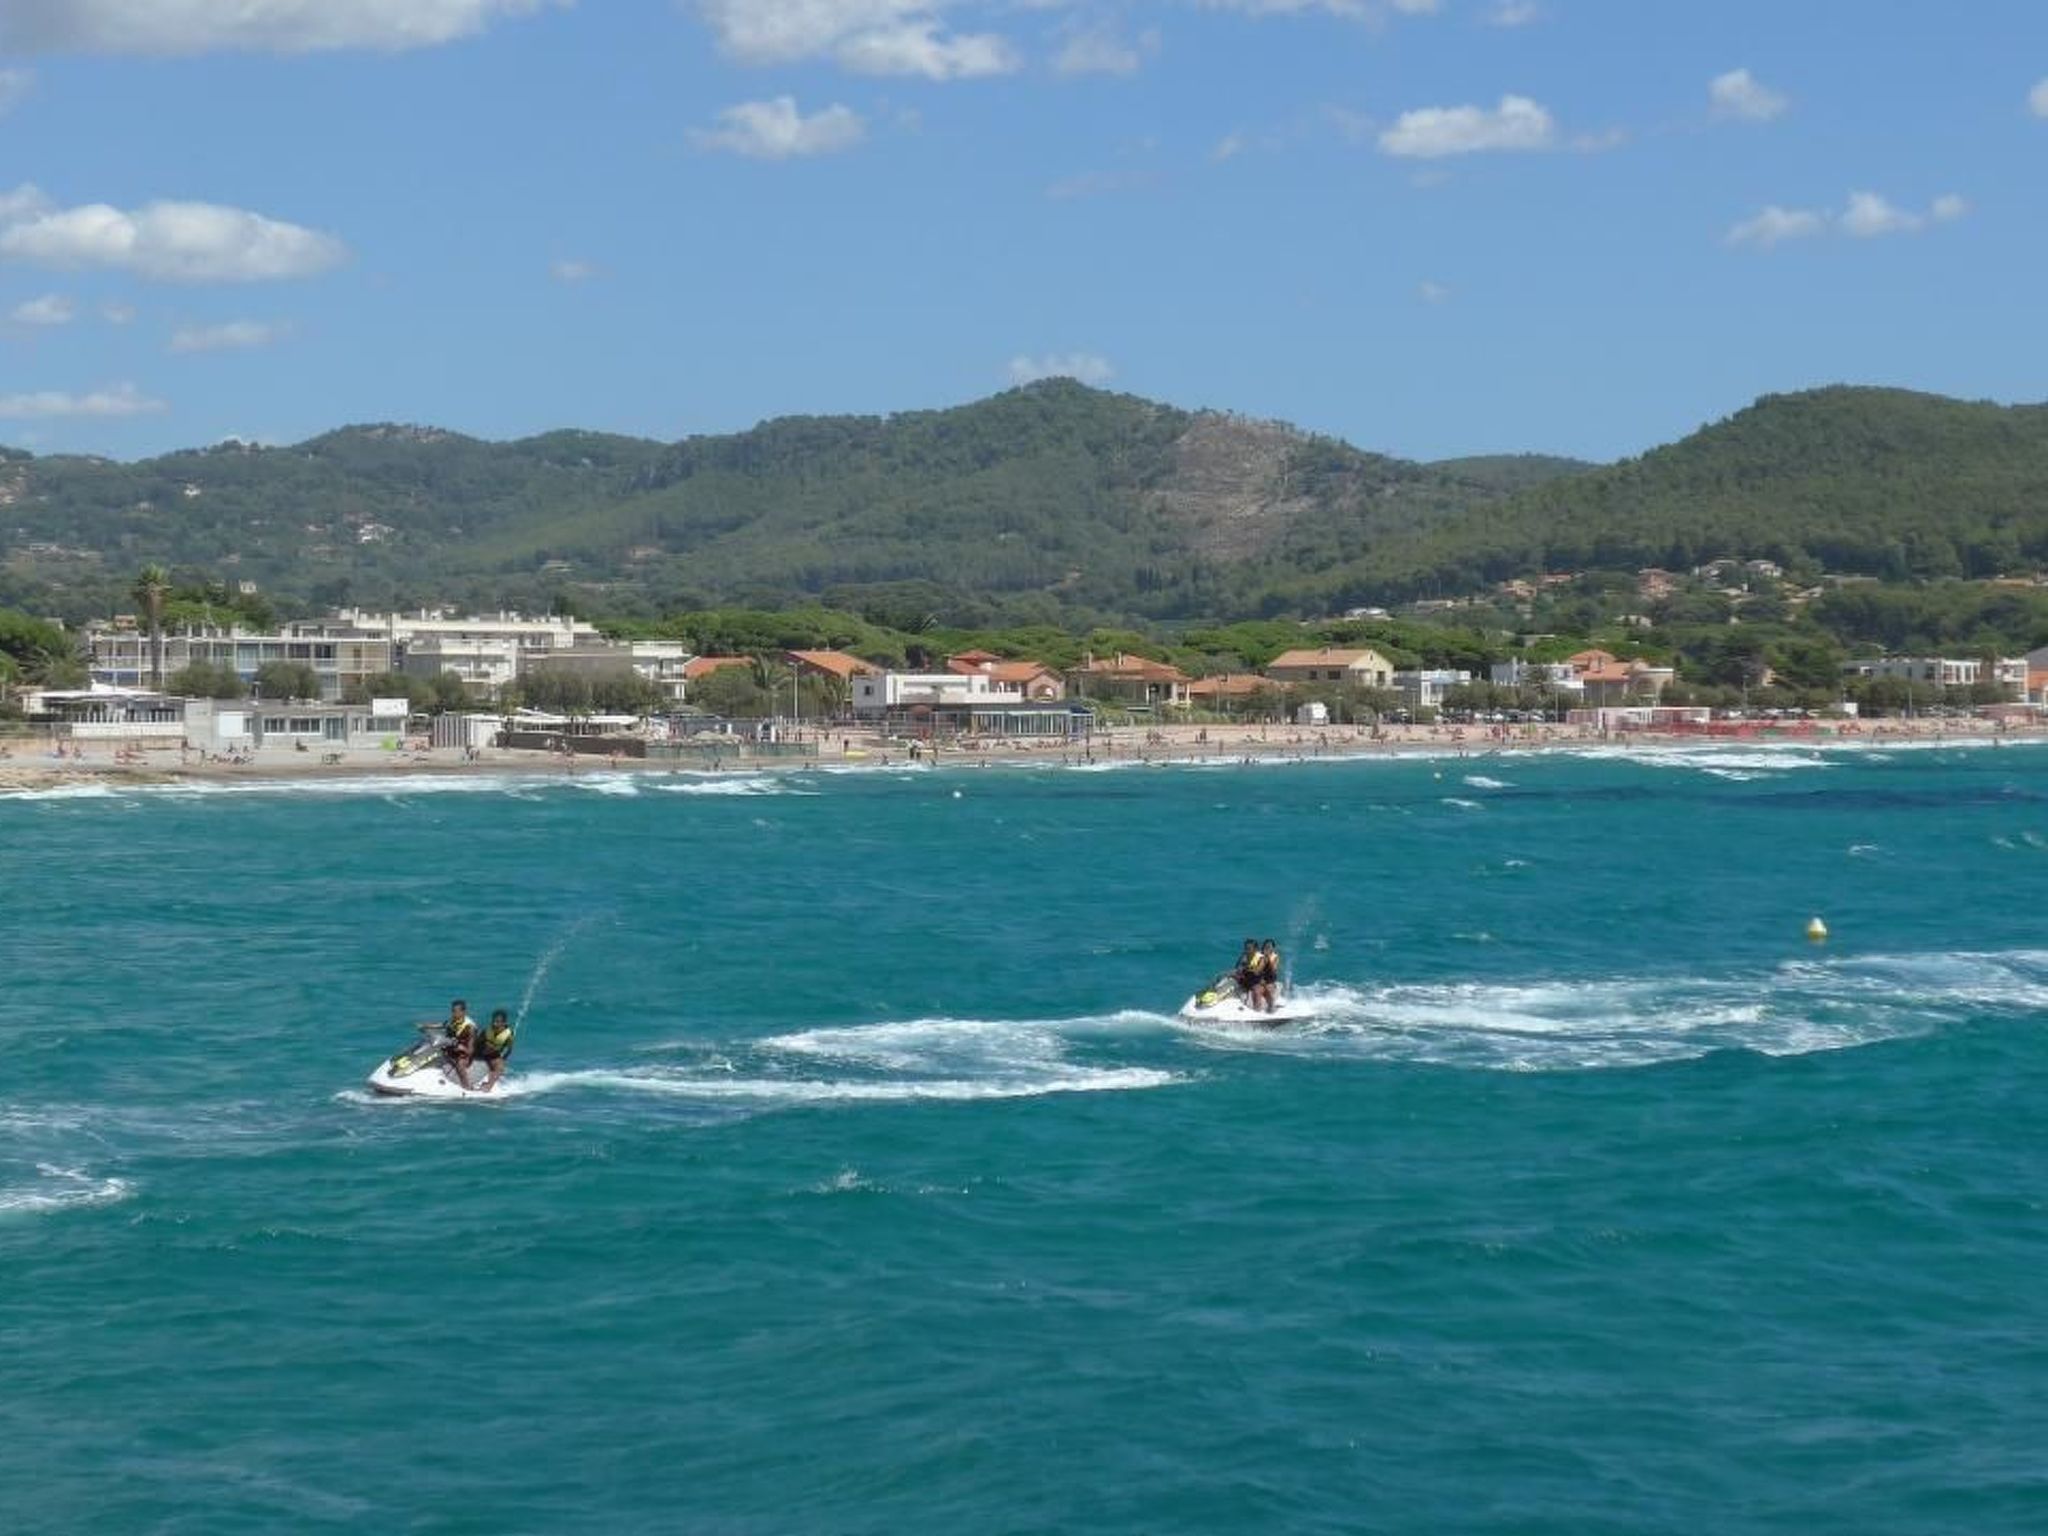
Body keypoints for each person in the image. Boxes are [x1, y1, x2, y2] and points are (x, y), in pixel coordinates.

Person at [441, 999, 479, 1090]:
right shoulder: (454, 1020)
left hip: (466, 1053)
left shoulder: (470, 1027)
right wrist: (426, 1027)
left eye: (456, 1011)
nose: (454, 1013)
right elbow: (442, 1025)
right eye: (453, 1011)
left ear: (463, 1012)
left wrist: (462, 1048)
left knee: (460, 1064)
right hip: (454, 1048)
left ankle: (466, 1086)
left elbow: (471, 1050)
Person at [476, 1009, 516, 1092]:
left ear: (504, 1023)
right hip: (480, 1052)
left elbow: (509, 1049)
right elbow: (477, 1043)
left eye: (498, 1022)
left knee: (500, 1067)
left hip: (493, 1055)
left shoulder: (508, 1034)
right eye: (494, 1021)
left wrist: (503, 1059)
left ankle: (488, 1085)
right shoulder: (487, 1030)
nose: (495, 1024)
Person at [1258, 939, 1284, 1013]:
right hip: (1259, 977)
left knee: (1268, 990)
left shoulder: (1275, 957)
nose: (1267, 949)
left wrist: (1268, 958)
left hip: (1269, 978)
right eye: (1265, 947)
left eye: (1269, 947)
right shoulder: (1259, 955)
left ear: (1273, 948)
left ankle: (1271, 1008)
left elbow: (1273, 969)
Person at [1234, 939, 1263, 1003]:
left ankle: (1258, 1010)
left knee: (1256, 992)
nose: (1247, 950)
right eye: (1246, 948)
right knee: (1225, 977)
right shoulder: (1244, 955)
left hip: (1256, 981)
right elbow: (1237, 967)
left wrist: (1245, 968)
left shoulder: (1261, 958)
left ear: (1255, 949)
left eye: (1249, 948)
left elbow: (1257, 971)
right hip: (1245, 978)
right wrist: (1238, 969)